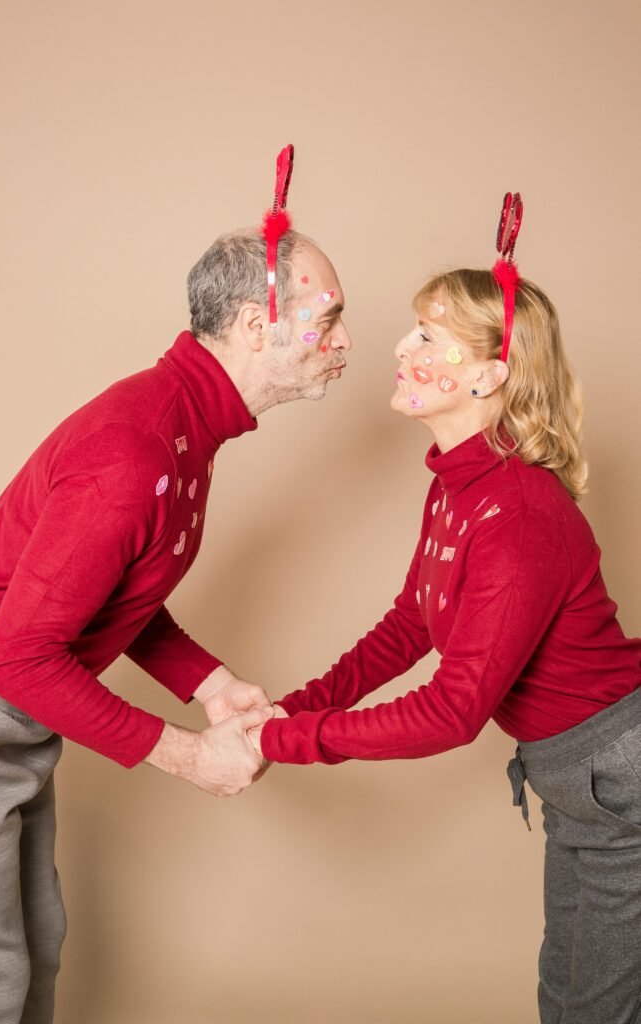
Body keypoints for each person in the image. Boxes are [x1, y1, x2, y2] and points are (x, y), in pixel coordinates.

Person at [0, 146, 352, 1024]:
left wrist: (213, 686)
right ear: (256, 324)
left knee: (34, 948)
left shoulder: (185, 425)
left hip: (7, 715)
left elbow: (113, 587)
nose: (343, 343)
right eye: (327, 320)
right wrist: (188, 755)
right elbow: (16, 661)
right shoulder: (137, 448)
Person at [251, 197, 641, 1024]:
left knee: (594, 1010)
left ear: (486, 375)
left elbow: (453, 711)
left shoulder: (520, 515)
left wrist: (283, 741)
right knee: (568, 997)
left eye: (426, 337)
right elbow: (408, 627)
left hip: (618, 779)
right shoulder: (460, 485)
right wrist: (292, 710)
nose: (397, 347)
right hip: (579, 780)